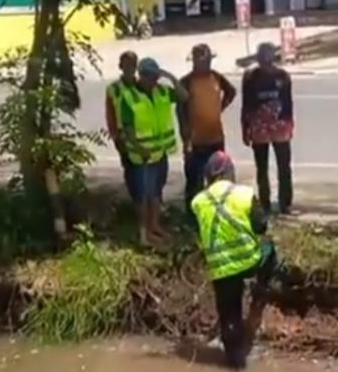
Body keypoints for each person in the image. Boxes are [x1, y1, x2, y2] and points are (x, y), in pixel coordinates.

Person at [190, 151, 285, 370]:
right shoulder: (244, 194)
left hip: (220, 268)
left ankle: (234, 360)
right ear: (229, 172)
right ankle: (261, 290)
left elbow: (199, 231)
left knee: (229, 315)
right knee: (269, 249)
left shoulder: (197, 202)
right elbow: (261, 226)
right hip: (248, 261)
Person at [120, 57, 188, 246]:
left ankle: (155, 227)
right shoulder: (129, 97)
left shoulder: (163, 91)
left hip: (160, 153)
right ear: (141, 75)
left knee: (156, 194)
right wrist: (140, 148)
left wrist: (171, 77)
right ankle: (144, 233)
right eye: (149, 76)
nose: (153, 80)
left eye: (156, 76)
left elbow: (184, 96)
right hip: (142, 156)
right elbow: (127, 129)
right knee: (144, 196)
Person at [178, 43, 237, 227]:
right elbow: (180, 111)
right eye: (201, 60)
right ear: (194, 61)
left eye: (208, 59)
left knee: (218, 181)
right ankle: (192, 218)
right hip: (195, 141)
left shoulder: (216, 77)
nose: (205, 63)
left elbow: (231, 92)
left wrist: (220, 107)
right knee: (194, 180)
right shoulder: (185, 82)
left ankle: (216, 216)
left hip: (216, 138)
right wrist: (185, 137)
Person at [240, 42, 295, 215]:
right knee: (262, 168)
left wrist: (289, 123)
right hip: (259, 127)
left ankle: (285, 202)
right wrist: (245, 127)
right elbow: (246, 105)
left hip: (279, 126)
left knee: (283, 166)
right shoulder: (250, 77)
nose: (266, 61)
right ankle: (265, 203)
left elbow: (288, 103)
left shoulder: (283, 76)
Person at [105, 51, 139, 202]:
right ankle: (135, 199)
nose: (129, 69)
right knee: (131, 169)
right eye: (126, 65)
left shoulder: (141, 85)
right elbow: (110, 113)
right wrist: (115, 136)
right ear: (120, 66)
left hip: (143, 133)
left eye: (132, 65)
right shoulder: (114, 89)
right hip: (123, 135)